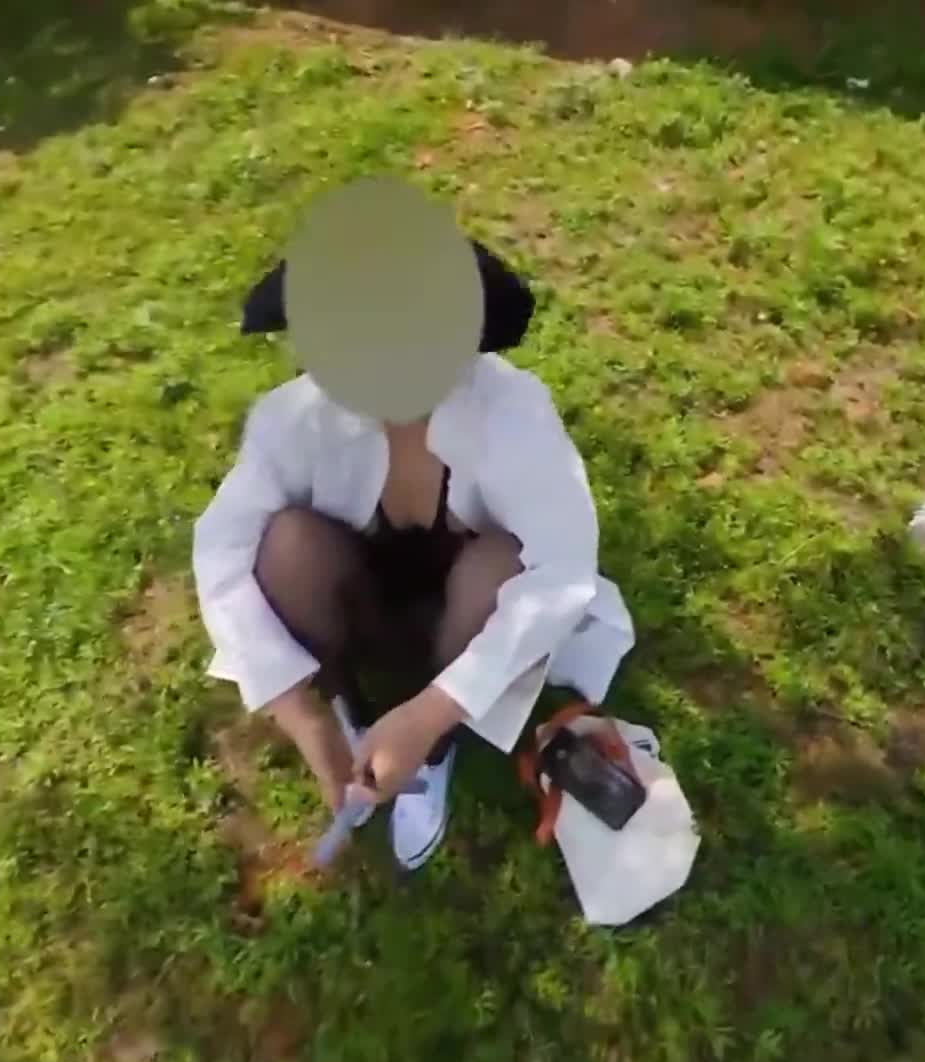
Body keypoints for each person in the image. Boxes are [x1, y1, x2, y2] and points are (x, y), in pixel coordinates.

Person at [192, 177, 635, 870]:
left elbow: (564, 569)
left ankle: (431, 749)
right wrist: (300, 712)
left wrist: (431, 714)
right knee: (286, 545)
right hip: (358, 604)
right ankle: (353, 712)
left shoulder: (512, 411)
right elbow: (221, 548)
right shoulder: (292, 419)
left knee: (500, 567)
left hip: (467, 618)